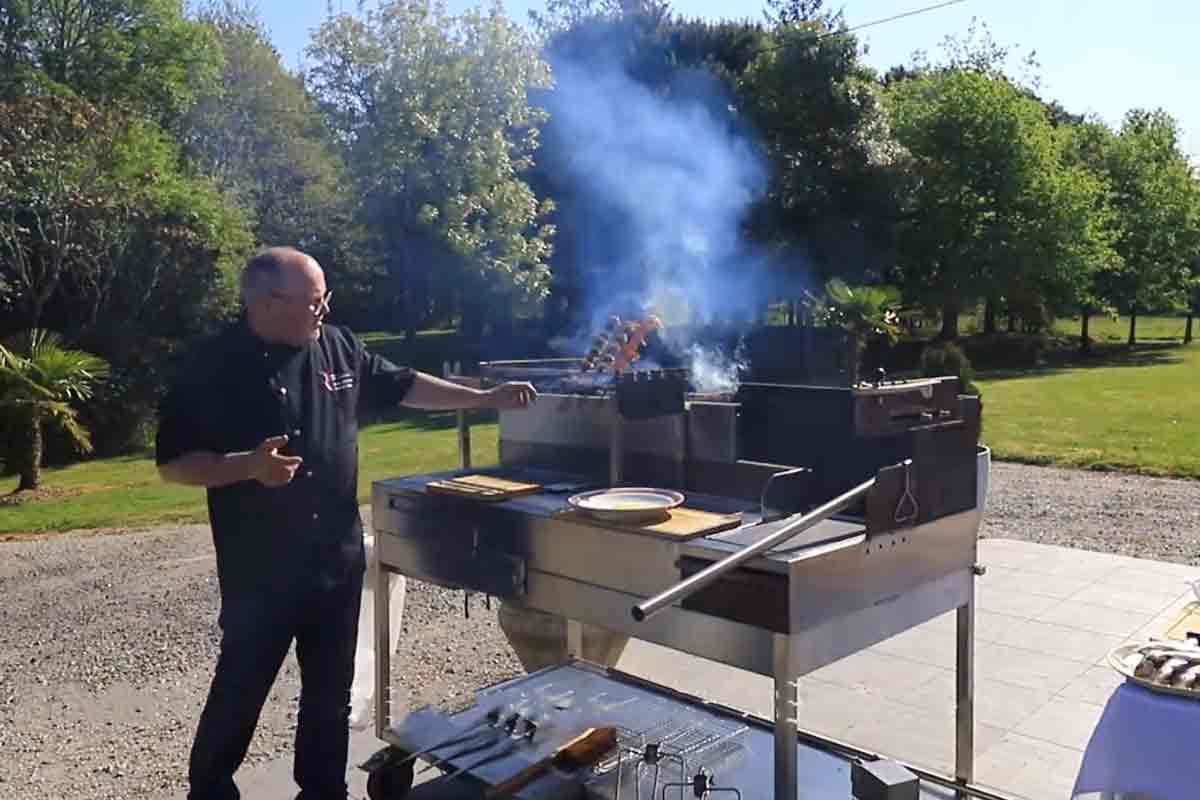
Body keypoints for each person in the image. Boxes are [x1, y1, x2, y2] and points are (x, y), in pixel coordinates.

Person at [155, 246, 536, 800]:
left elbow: (404, 384)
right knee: (241, 689)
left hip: (334, 557)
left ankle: (323, 792)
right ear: (265, 303)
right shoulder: (212, 366)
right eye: (314, 301)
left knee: (329, 696)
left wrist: (481, 398)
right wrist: (248, 468)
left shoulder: (335, 346)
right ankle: (210, 788)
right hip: (259, 568)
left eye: (325, 298)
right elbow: (173, 464)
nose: (323, 311)